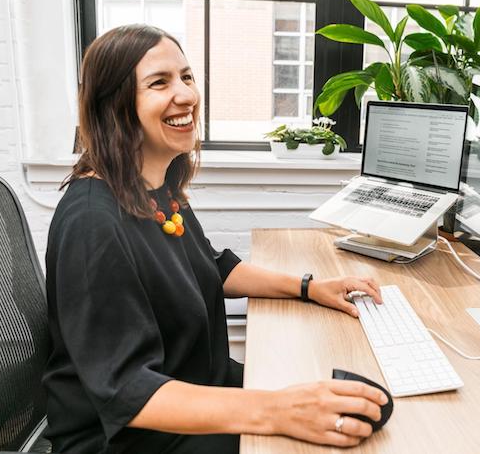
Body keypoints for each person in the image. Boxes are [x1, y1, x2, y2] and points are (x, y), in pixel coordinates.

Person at [42, 24, 387, 454]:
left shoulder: (155, 191)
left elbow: (213, 266)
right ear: (115, 106)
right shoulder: (92, 222)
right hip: (131, 436)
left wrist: (310, 287)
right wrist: (277, 410)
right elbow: (128, 390)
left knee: (355, 402)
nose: (186, 95)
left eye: (186, 77)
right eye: (159, 83)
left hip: (194, 391)